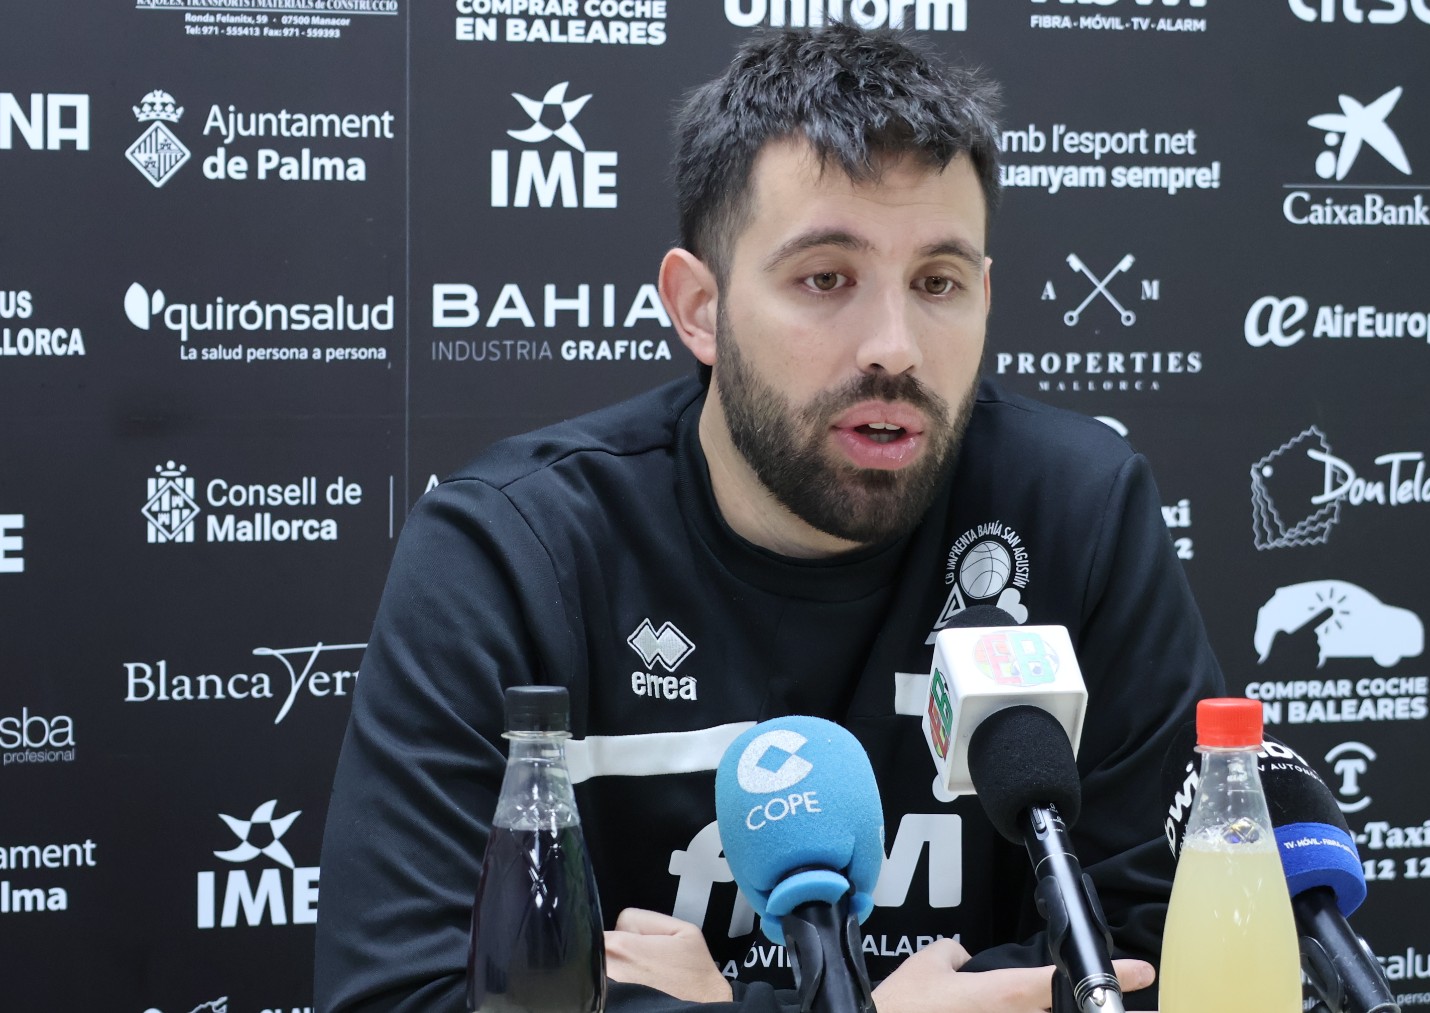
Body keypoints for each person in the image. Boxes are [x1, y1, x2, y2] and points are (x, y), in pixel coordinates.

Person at [314, 23, 1224, 1013]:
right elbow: (403, 992)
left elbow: (1171, 958)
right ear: (699, 307)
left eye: (938, 283)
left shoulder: (1078, 511)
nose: (895, 345)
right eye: (825, 278)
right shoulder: (511, 550)